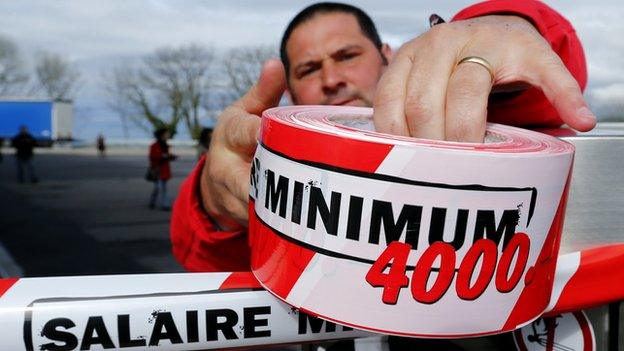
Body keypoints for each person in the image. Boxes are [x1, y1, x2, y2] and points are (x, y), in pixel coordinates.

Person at [171, 1, 596, 272]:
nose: (332, 79)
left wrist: (501, 27)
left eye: (347, 55)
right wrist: (214, 199)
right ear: (290, 92)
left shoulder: (474, 114)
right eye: (308, 69)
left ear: (387, 56)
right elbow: (199, 253)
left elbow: (540, 93)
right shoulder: (271, 165)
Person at [149, 128, 177, 210]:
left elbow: (166, 156)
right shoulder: (154, 145)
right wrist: (164, 156)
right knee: (160, 188)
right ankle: (162, 204)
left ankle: (158, 203)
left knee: (161, 188)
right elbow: (153, 157)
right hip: (157, 169)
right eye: (166, 134)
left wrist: (171, 157)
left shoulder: (165, 145)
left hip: (164, 169)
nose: (167, 135)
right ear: (161, 135)